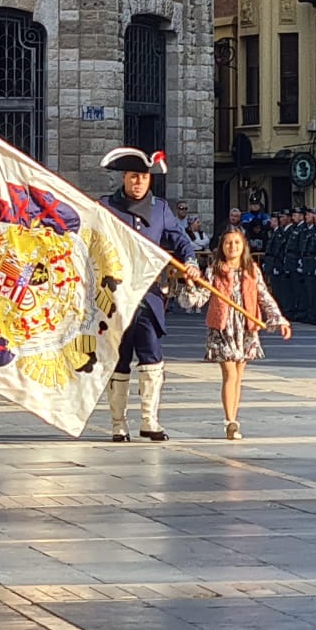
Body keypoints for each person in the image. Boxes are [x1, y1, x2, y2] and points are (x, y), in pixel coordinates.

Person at [98, 147, 198, 444]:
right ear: (124, 179)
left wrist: (190, 263)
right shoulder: (105, 207)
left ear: (148, 180)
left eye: (142, 177)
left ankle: (149, 420)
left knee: (152, 356)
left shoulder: (160, 209)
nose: (137, 182)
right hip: (115, 298)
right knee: (119, 359)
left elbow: (180, 241)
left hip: (147, 296)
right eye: (132, 177)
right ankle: (118, 424)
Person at [199, 227, 291, 441]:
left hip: (246, 327)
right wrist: (191, 284)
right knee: (230, 375)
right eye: (228, 243)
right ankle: (230, 421)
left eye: (237, 243)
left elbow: (263, 296)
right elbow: (201, 296)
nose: (233, 247)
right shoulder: (215, 270)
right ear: (222, 247)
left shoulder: (251, 270)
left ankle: (234, 418)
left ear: (243, 247)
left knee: (238, 377)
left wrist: (279, 319)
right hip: (223, 327)